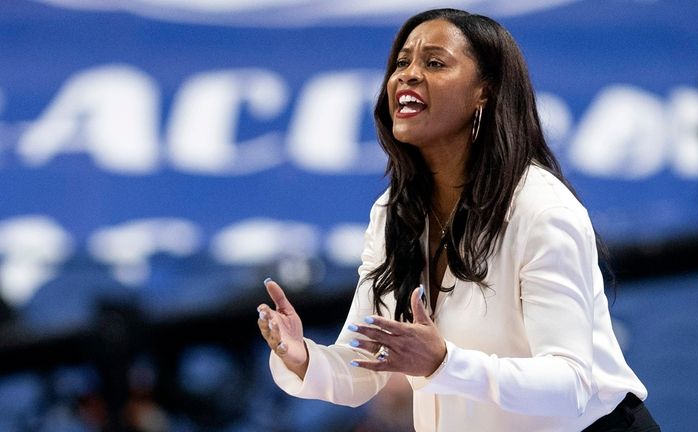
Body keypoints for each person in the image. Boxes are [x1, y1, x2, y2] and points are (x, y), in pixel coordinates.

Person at [257, 8, 659, 431]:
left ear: (484, 92)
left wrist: (445, 362)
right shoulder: (395, 211)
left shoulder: (542, 211)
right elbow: (364, 365)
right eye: (401, 62)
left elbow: (570, 384)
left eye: (434, 62)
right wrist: (300, 356)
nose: (407, 76)